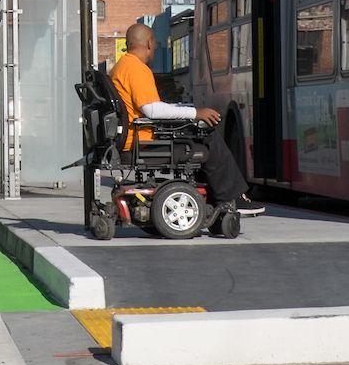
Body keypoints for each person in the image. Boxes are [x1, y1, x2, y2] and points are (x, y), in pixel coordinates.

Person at [110, 23, 264, 221]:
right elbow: (153, 109)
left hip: (132, 141)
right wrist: (195, 113)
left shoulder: (121, 66)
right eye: (155, 43)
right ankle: (232, 198)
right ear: (149, 43)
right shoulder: (137, 69)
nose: (155, 48)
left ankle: (218, 199)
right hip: (143, 144)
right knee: (208, 138)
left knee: (199, 135)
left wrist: (186, 112)